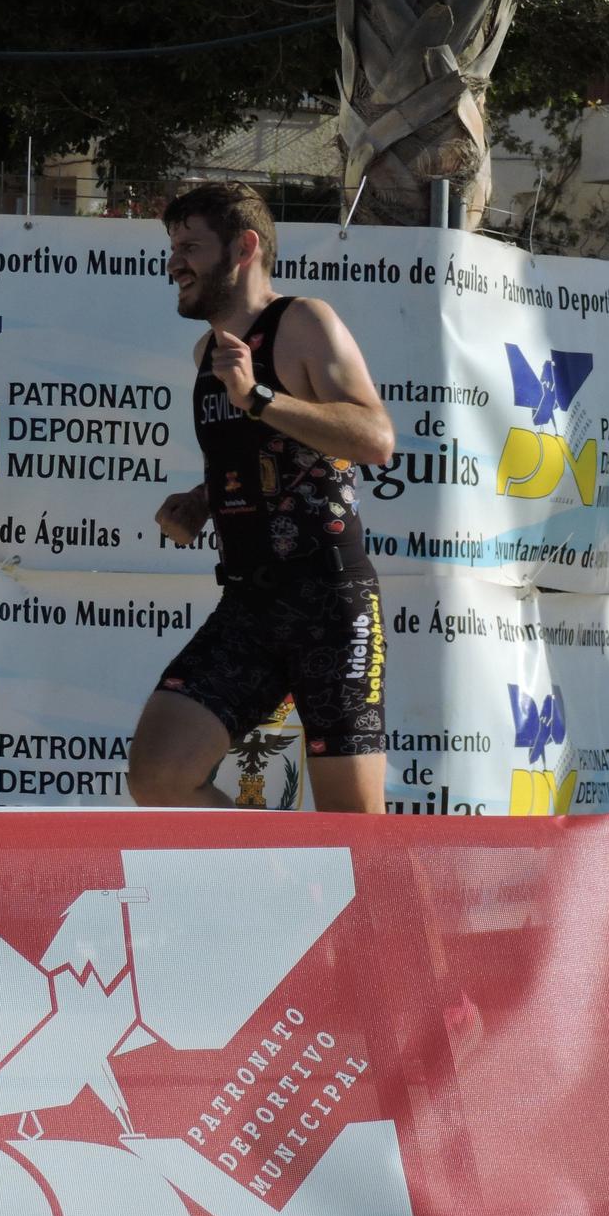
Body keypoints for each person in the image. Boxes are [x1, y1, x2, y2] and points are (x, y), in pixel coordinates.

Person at [128, 183, 395, 812]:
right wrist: (200, 500)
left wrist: (258, 396)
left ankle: (373, 909)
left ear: (244, 247)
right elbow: (262, 456)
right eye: (173, 248)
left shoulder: (303, 320)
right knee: (159, 775)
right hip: (250, 600)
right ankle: (272, 884)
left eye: (190, 246)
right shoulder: (208, 354)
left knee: (355, 830)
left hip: (331, 603)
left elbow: (375, 438)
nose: (175, 264)